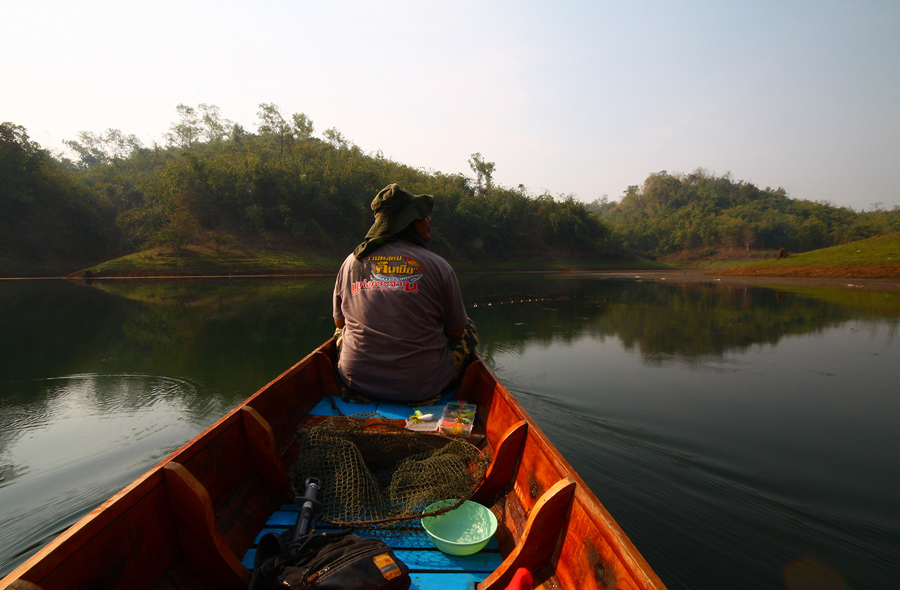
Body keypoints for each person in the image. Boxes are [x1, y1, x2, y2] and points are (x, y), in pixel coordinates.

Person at [333, 183, 477, 403]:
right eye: (423, 216)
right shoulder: (438, 266)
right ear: (408, 222)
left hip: (356, 380)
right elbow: (457, 332)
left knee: (338, 335)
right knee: (469, 327)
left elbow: (340, 323)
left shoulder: (351, 262)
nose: (429, 220)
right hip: (420, 387)